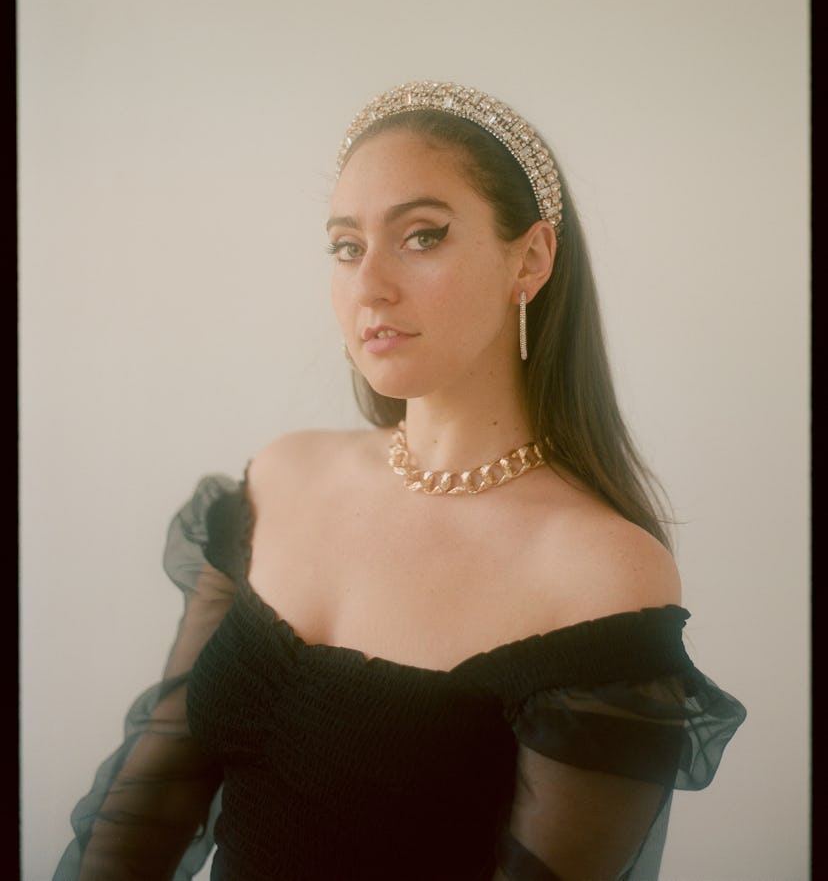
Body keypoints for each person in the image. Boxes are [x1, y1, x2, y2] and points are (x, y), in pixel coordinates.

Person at [54, 80, 746, 881]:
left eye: (422, 236)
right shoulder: (281, 477)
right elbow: (149, 802)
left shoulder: (598, 572)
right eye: (347, 246)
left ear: (531, 258)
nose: (369, 284)